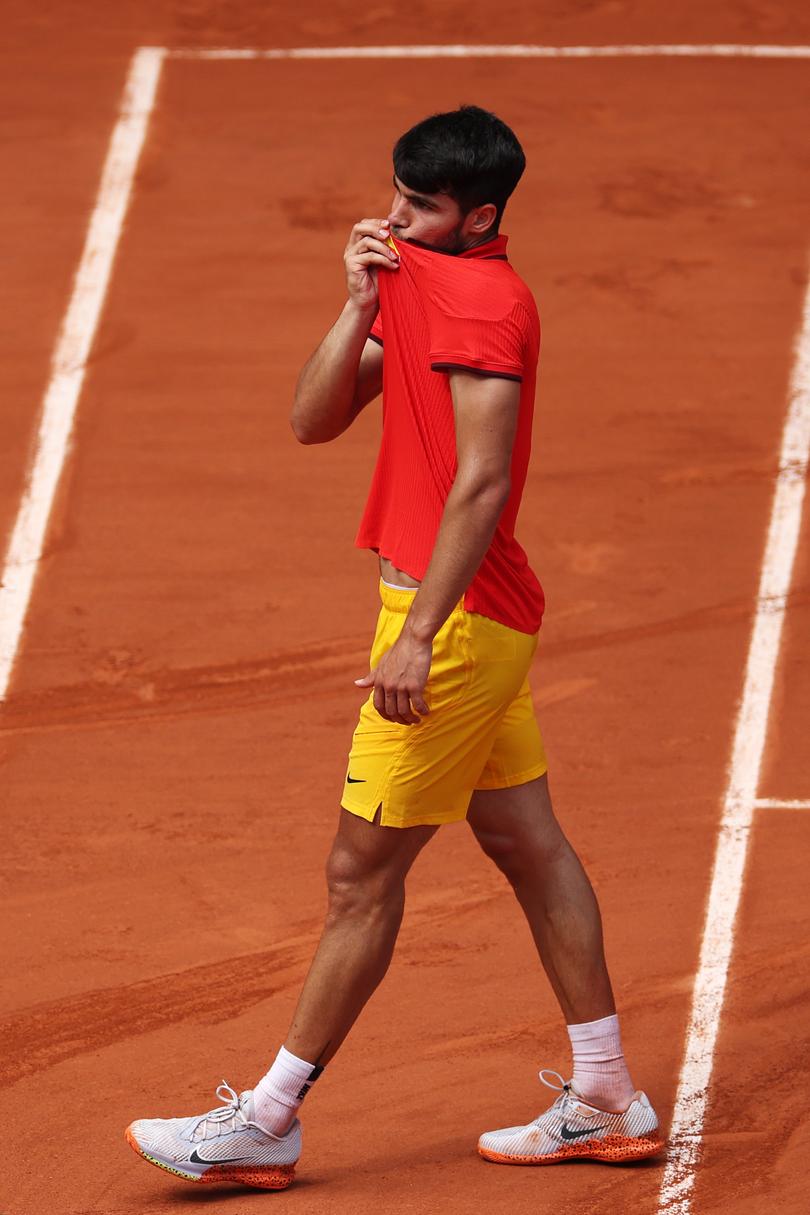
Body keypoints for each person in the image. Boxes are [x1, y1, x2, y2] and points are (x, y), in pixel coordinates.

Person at [125, 104, 663, 1191]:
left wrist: (418, 636)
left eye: (421, 205)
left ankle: (269, 1120)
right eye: (399, 194)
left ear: (483, 215)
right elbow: (313, 420)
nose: (397, 215)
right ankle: (606, 1093)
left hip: (451, 628)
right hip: (470, 620)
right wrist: (359, 303)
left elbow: (482, 481)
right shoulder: (416, 278)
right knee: (528, 845)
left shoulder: (486, 308)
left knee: (357, 877)